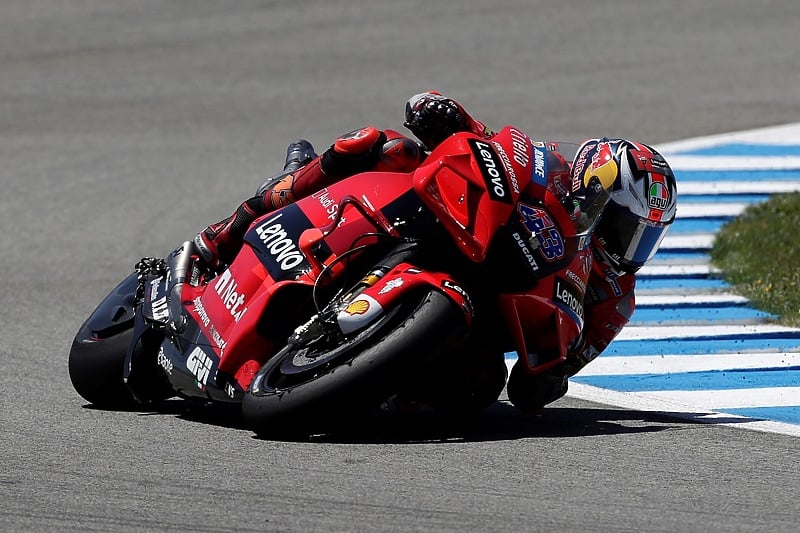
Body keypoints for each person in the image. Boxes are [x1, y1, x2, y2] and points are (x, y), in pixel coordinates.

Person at [193, 91, 677, 412]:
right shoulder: (548, 170)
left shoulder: (614, 299)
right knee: (383, 147)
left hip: (478, 320)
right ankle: (233, 227)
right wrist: (447, 114)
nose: (630, 246)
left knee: (478, 389)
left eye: (644, 236)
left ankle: (368, 393)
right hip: (451, 234)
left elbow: (550, 380)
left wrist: (552, 375)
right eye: (625, 226)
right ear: (592, 190)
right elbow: (489, 144)